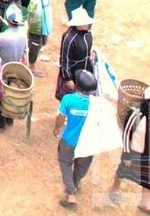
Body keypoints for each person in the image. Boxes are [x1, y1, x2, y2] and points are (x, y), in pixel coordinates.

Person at [111, 85, 150, 213]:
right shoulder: (136, 112)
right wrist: (126, 155)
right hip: (135, 150)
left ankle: (144, 203)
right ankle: (114, 189)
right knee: (123, 171)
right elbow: (127, 134)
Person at [55, 70, 98, 209]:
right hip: (89, 142)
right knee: (83, 165)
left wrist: (56, 129)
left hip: (69, 140)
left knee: (65, 163)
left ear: (76, 85)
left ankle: (70, 194)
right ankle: (76, 182)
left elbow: (60, 118)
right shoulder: (96, 104)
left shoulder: (68, 99)